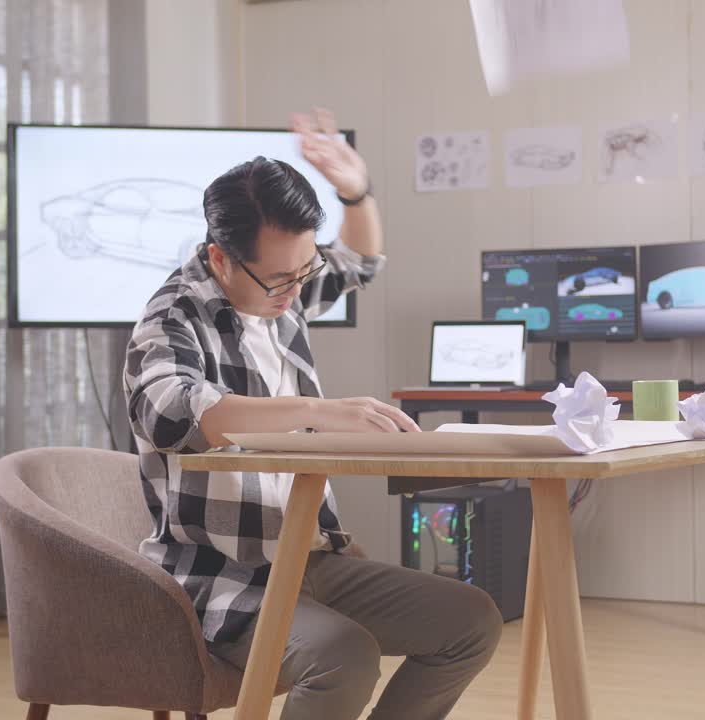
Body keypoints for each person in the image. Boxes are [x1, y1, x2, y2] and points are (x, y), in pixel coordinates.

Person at [123, 109, 502, 720]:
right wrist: (319, 412)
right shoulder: (172, 315)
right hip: (222, 577)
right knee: (343, 655)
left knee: (473, 620)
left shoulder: (280, 290)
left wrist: (356, 191)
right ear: (221, 259)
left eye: (304, 272)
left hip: (311, 557)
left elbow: (361, 260)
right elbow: (172, 412)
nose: (295, 291)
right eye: (281, 279)